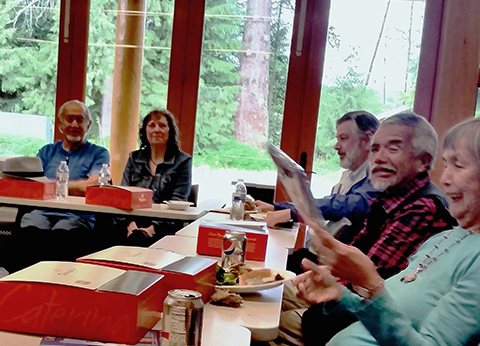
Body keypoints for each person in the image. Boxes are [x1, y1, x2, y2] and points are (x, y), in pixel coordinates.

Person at [274, 111, 457, 346]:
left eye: (393, 149)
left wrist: (328, 272)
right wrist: (325, 270)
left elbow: (367, 276)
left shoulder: (423, 208)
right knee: (268, 293)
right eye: (375, 149)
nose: (378, 158)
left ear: (423, 161)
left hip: (368, 317)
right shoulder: (389, 196)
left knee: (272, 319)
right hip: (349, 295)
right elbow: (357, 252)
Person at [6, 100, 110, 272]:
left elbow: (95, 184)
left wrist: (56, 186)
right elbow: (34, 184)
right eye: (69, 119)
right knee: (30, 231)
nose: (74, 125)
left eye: (80, 120)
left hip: (77, 217)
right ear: (61, 123)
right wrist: (74, 187)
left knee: (62, 236)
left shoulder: (99, 153)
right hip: (41, 212)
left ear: (88, 125)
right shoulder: (46, 152)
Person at [256, 111, 380, 241]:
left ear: (367, 141)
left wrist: (293, 212)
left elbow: (349, 205)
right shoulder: (351, 175)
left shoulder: (378, 178)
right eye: (337, 139)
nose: (336, 146)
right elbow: (331, 204)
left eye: (343, 138)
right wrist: (279, 207)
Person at [119, 109, 192, 245]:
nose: (156, 130)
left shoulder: (183, 161)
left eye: (162, 126)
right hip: (132, 224)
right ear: (145, 131)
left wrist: (152, 228)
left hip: (165, 226)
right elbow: (123, 196)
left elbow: (178, 201)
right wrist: (131, 226)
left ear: (170, 131)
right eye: (152, 125)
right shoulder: (134, 158)